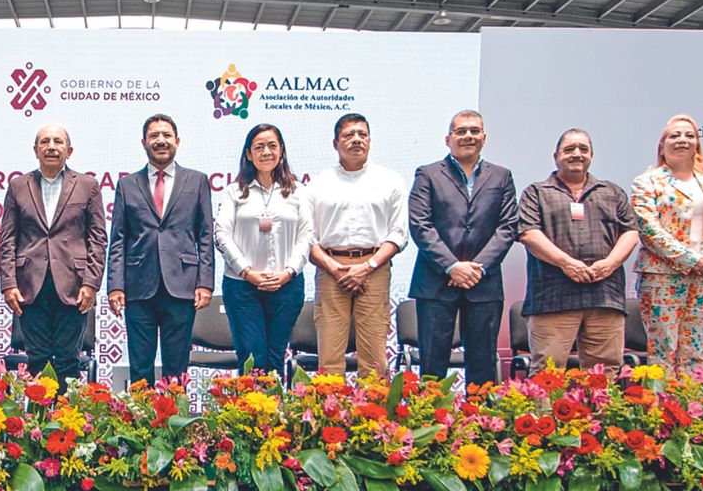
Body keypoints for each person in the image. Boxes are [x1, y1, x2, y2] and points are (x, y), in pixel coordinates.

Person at [408, 110, 517, 387]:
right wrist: (453, 266)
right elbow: (420, 225)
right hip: (436, 281)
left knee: (482, 366)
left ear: (484, 137)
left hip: (484, 283)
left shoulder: (502, 177)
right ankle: (431, 426)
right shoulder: (428, 174)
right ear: (448, 139)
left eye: (474, 130)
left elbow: (507, 227)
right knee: (432, 365)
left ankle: (480, 426)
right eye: (461, 131)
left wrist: (477, 268)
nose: (468, 136)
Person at [518, 129, 638, 372]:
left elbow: (631, 232)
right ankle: (545, 414)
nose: (577, 154)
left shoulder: (611, 192)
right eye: (569, 149)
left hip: (604, 295)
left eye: (583, 149)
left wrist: (610, 263)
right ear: (555, 155)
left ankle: (601, 413)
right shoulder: (537, 193)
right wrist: (566, 263)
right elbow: (528, 233)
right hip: (553, 297)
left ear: (591, 155)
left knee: (604, 374)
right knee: (547, 374)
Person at [107, 113, 214, 383]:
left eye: (166, 135)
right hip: (138, 286)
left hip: (182, 284)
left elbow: (205, 235)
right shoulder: (126, 184)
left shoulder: (197, 181)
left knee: (177, 368)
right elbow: (118, 238)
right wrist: (115, 286)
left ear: (177, 141)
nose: (161, 141)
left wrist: (205, 282)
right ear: (144, 142)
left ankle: (175, 423)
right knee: (140, 368)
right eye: (154, 136)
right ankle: (142, 424)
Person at [630, 114, 703, 378]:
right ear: (662, 145)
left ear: (697, 144)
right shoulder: (648, 181)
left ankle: (691, 413)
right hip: (662, 275)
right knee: (663, 350)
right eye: (675, 135)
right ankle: (660, 413)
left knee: (695, 350)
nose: (682, 140)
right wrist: (690, 259)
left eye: (689, 135)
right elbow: (648, 228)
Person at [0, 123, 107, 387]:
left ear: (69, 150)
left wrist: (92, 283)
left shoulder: (88, 185)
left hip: (74, 285)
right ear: (35, 150)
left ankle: (66, 424)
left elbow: (97, 238)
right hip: (29, 286)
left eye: (58, 142)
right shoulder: (18, 186)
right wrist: (8, 283)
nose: (51, 147)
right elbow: (7, 238)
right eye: (45, 142)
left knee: (68, 359)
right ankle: (38, 424)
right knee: (37, 360)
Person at [304, 113, 407, 377]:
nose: (357, 140)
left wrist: (368, 266)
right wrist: (334, 267)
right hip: (330, 269)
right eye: (349, 135)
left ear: (370, 141)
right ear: (335, 143)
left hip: (375, 268)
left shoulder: (390, 181)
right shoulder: (318, 184)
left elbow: (398, 234)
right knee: (329, 355)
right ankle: (329, 415)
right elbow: (306, 237)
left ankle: (374, 414)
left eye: (362, 134)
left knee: (374, 358)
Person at [215, 123, 313, 377]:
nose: (266, 152)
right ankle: (249, 415)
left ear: (281, 150)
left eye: (272, 145)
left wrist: (289, 271)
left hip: (287, 286)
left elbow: (306, 235)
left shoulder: (299, 192)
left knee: (274, 357)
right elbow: (222, 235)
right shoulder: (234, 193)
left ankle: (273, 414)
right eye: (259, 147)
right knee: (251, 356)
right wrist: (247, 272)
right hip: (242, 287)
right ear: (249, 154)